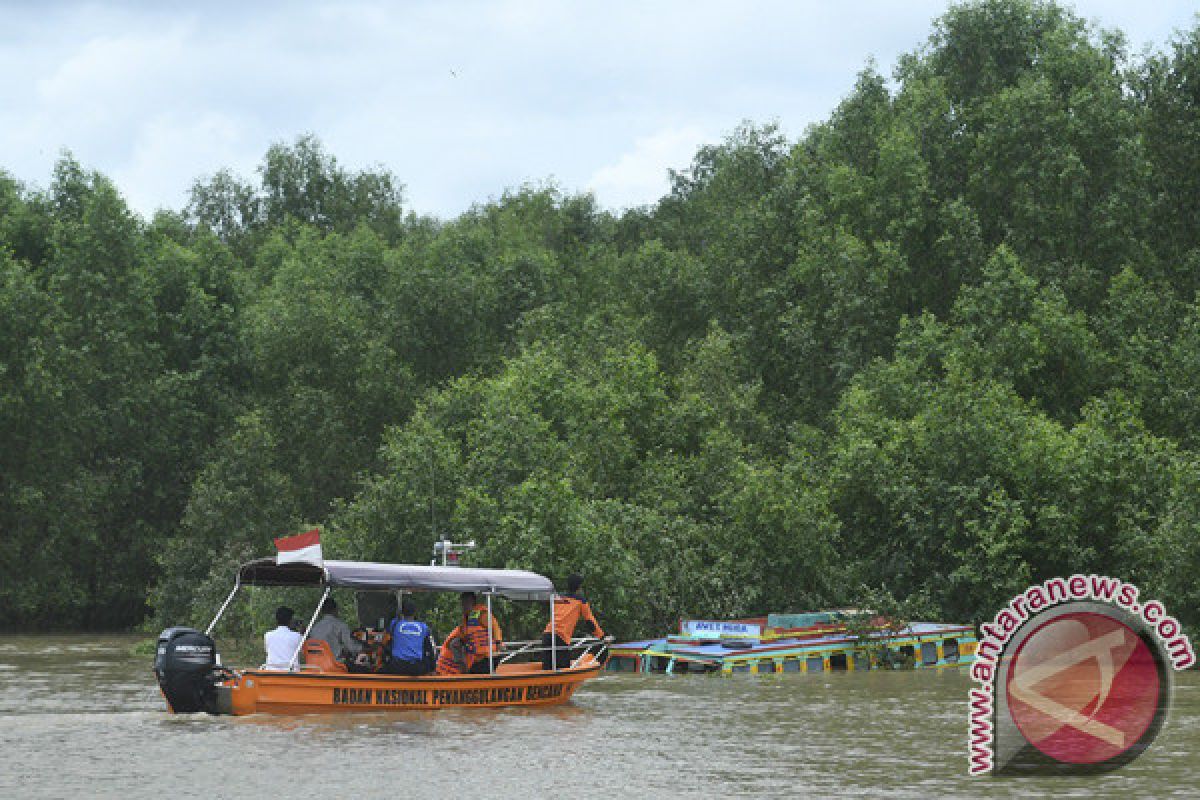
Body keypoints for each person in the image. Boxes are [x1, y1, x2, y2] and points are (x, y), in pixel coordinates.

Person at [541, 574, 604, 670]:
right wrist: (602, 636)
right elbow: (590, 621)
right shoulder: (580, 601)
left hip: (547, 634)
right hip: (560, 637)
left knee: (547, 669)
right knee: (563, 669)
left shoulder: (558, 598)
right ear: (579, 587)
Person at [444, 591, 503, 674]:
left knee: (474, 675)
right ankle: (463, 670)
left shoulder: (482, 614)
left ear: (473, 602)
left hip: (489, 656)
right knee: (454, 643)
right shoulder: (467, 619)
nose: (464, 606)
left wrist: (498, 642)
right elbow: (463, 634)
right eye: (463, 603)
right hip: (479, 658)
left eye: (466, 602)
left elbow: (495, 626)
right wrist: (455, 642)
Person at [382, 598, 437, 676]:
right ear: (415, 612)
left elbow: (384, 643)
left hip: (397, 667)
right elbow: (430, 649)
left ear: (402, 612)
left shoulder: (394, 624)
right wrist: (433, 669)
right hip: (416, 669)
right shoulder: (423, 627)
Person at [308, 597, 365, 667]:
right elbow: (351, 646)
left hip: (316, 665)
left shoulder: (314, 627)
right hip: (334, 665)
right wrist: (364, 648)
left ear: (322, 611)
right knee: (364, 668)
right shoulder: (340, 625)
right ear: (335, 609)